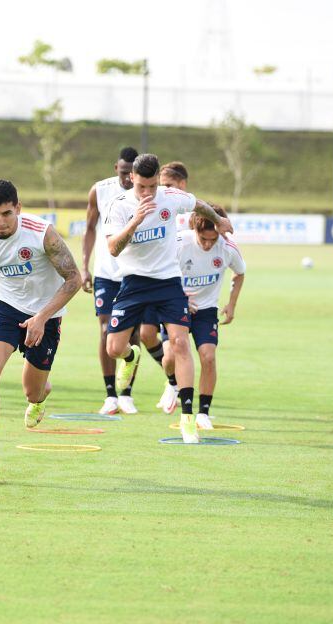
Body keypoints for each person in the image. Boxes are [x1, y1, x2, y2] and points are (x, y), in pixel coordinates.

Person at [0, 180, 81, 484]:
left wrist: (42, 317)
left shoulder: (42, 234)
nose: (0, 222)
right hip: (5, 307)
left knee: (32, 390)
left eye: (7, 214)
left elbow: (74, 278)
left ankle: (40, 397)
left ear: (18, 209)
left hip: (47, 314)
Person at [103, 154, 232, 443]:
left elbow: (198, 204)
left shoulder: (170, 196)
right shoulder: (120, 206)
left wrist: (219, 219)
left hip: (168, 281)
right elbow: (113, 248)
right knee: (114, 348)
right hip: (134, 281)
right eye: (142, 187)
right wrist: (136, 220)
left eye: (152, 187)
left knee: (180, 342)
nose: (148, 193)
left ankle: (188, 418)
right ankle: (131, 357)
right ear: (132, 180)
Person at [80, 146, 140, 415]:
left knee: (133, 333)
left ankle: (127, 393)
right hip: (106, 273)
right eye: (124, 172)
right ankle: (110, 395)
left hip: (135, 273)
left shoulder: (145, 193)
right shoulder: (100, 190)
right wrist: (84, 266)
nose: (128, 178)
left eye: (132, 173)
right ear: (116, 169)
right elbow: (90, 228)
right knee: (105, 330)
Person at [177, 211, 245, 429]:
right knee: (171, 358)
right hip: (176, 306)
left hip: (206, 310)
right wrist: (179, 298)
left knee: (208, 357)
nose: (207, 245)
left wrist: (232, 304)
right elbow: (162, 273)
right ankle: (171, 384)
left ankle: (203, 413)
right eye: (203, 239)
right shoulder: (179, 243)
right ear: (194, 230)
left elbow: (240, 273)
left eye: (212, 240)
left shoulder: (228, 247)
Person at [144, 161, 192, 413]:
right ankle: (172, 382)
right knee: (144, 334)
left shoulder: (192, 216)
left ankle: (181, 390)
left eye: (168, 185)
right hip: (156, 283)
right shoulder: (159, 207)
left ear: (182, 185)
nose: (163, 190)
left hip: (180, 291)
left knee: (179, 350)